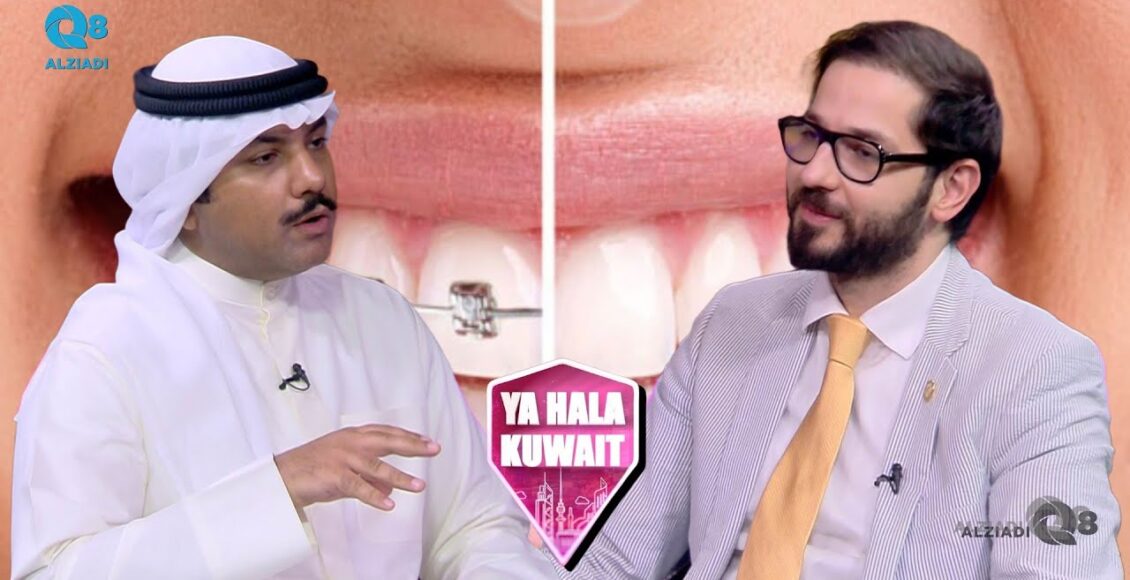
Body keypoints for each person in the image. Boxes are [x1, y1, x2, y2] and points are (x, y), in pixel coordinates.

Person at [558, 21, 1121, 579]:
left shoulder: (1035, 366)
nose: (815, 172)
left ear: (951, 189)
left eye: (861, 152)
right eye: (810, 136)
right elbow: (612, 559)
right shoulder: (730, 323)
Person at [10, 36, 555, 579]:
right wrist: (279, 489)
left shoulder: (381, 317)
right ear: (185, 200)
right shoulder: (108, 347)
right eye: (266, 158)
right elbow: (55, 572)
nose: (312, 178)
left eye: (316, 143)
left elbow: (472, 529)